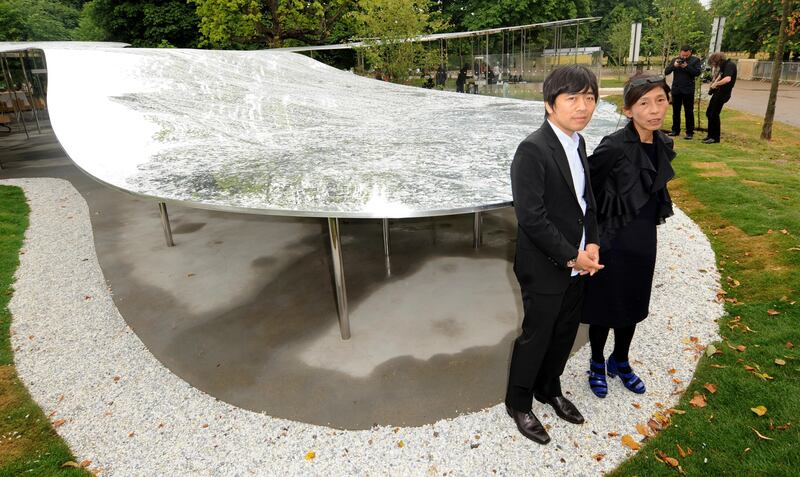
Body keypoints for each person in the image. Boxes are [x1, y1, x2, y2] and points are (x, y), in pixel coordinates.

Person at [505, 65, 603, 445]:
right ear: (550, 104)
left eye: (589, 97)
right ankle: (518, 401)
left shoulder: (577, 142)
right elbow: (531, 217)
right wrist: (572, 256)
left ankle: (550, 388)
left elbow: (586, 202)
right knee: (537, 335)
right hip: (546, 264)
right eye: (572, 98)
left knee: (564, 332)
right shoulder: (532, 149)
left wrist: (592, 242)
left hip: (578, 261)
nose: (583, 106)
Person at [582, 74, 676, 399]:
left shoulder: (664, 143)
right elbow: (587, 188)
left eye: (660, 100)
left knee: (634, 302)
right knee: (604, 305)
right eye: (644, 103)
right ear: (628, 110)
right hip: (611, 239)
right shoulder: (613, 145)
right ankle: (596, 361)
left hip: (643, 240)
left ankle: (619, 359)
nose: (654, 110)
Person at [664, 45, 701, 140]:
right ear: (680, 52)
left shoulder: (695, 60)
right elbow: (666, 71)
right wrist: (674, 66)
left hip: (688, 90)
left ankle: (689, 132)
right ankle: (675, 130)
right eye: (683, 55)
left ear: (690, 52)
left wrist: (686, 66)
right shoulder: (675, 60)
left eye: (686, 55)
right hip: (676, 89)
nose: (684, 57)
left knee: (689, 112)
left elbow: (697, 73)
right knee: (676, 111)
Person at [704, 52, 737, 144]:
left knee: (714, 114)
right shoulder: (724, 66)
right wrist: (715, 81)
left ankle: (715, 138)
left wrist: (716, 84)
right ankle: (710, 135)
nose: (713, 65)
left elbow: (727, 79)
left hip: (723, 93)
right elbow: (721, 76)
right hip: (717, 93)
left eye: (713, 63)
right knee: (709, 113)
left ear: (717, 60)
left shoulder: (730, 65)